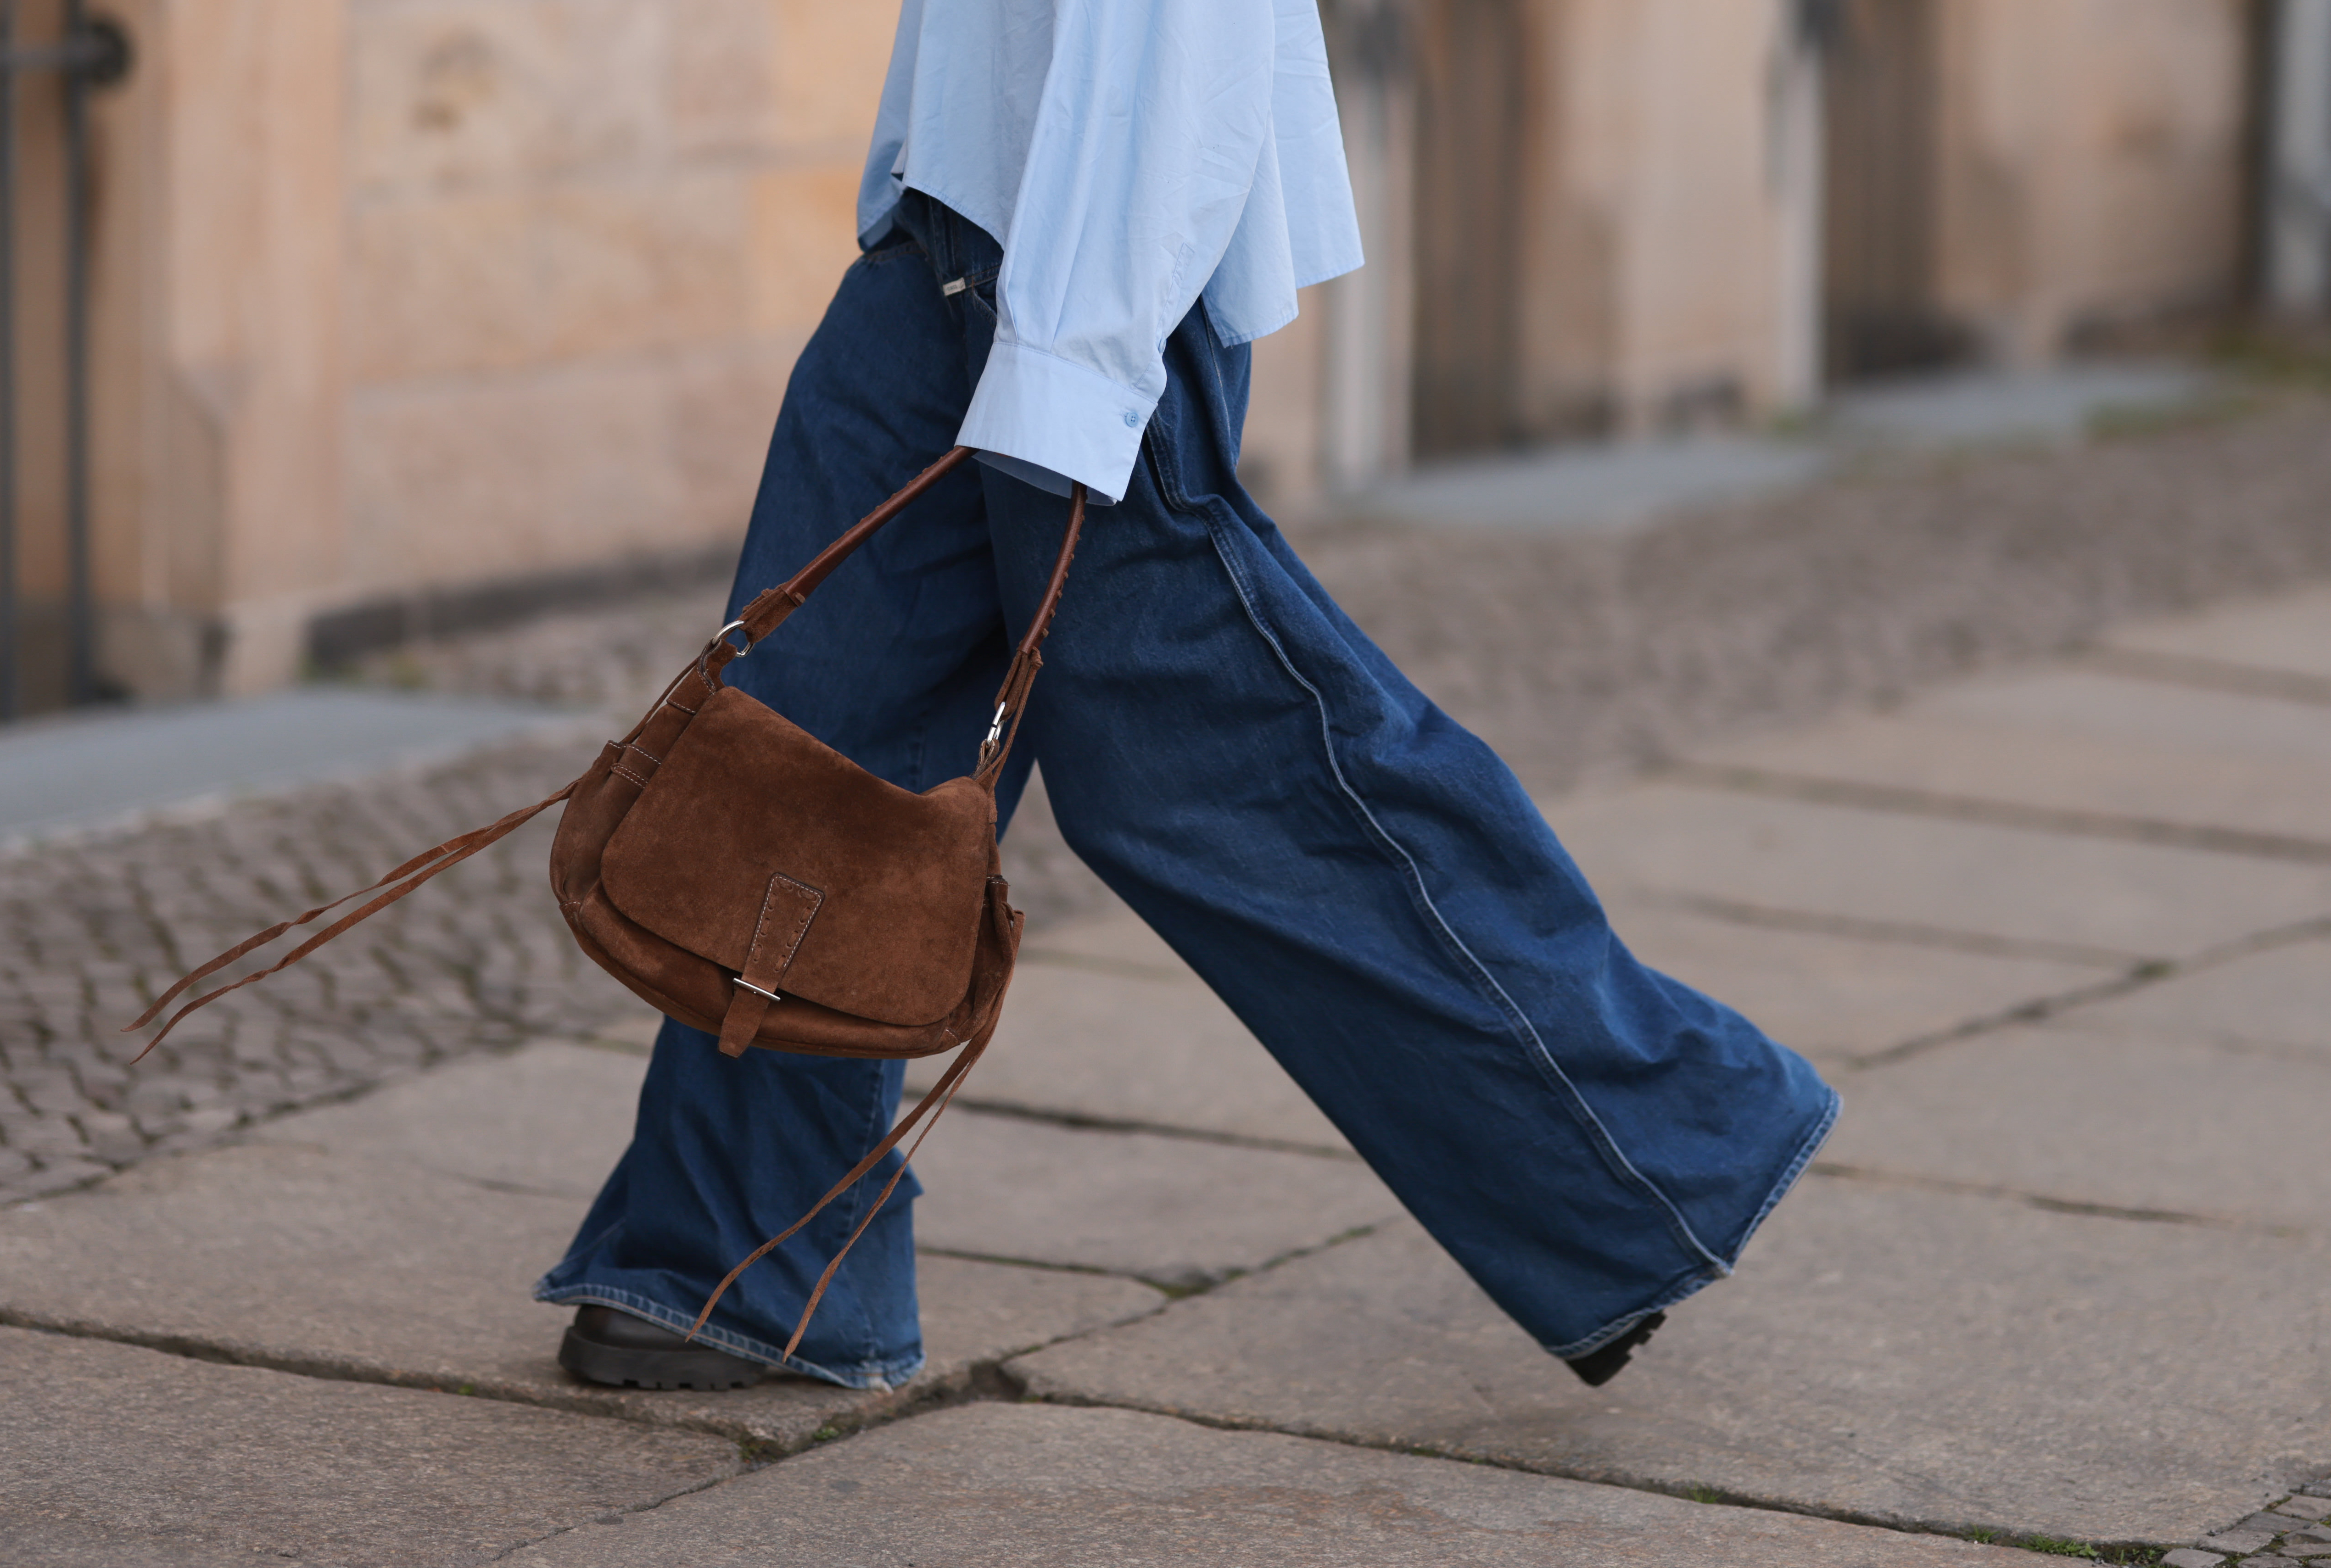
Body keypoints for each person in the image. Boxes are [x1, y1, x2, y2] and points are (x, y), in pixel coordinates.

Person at [538, 0, 1840, 1394]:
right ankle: (740, 1259)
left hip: (1086, 264)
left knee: (1227, 765)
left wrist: (1078, 356)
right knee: (808, 730)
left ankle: (1649, 1148)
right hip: (955, 222)